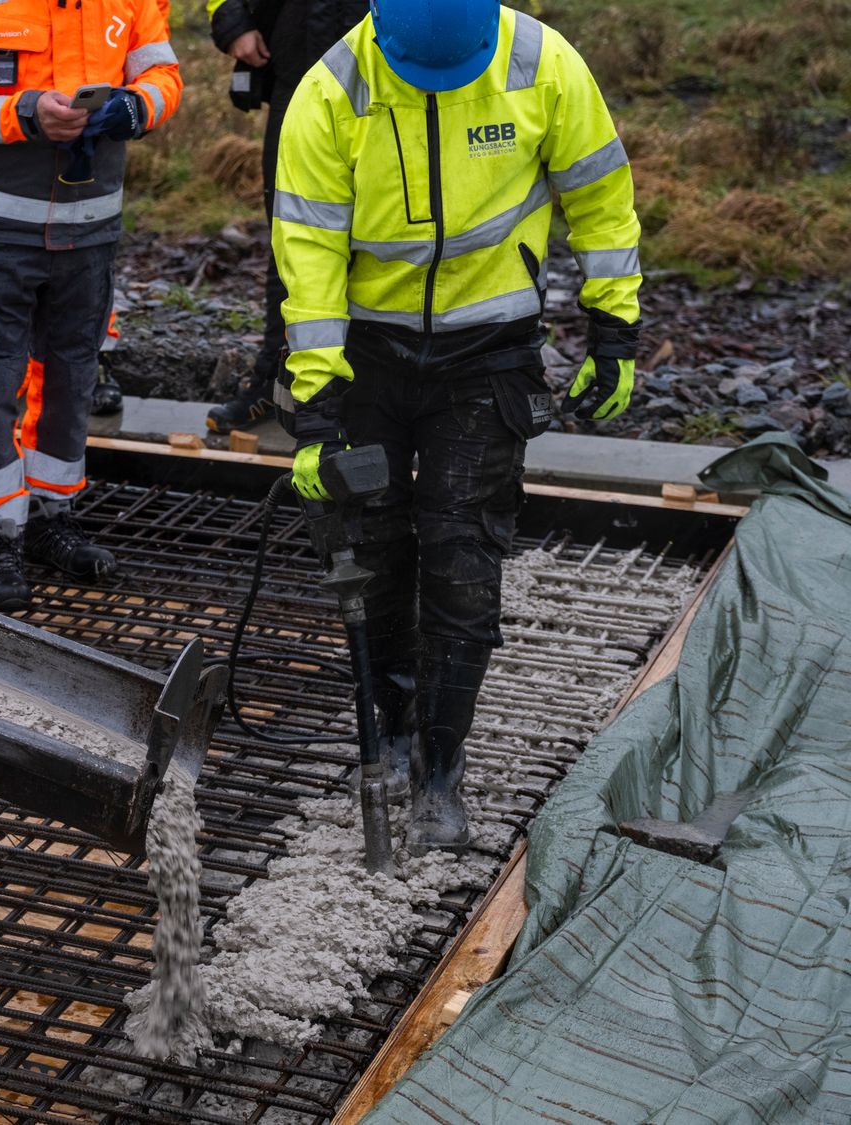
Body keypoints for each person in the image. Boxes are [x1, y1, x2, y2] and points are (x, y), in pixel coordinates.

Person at [275, 0, 642, 852]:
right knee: (372, 548)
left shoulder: (542, 65)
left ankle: (441, 764)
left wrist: (614, 326)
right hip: (369, 353)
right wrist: (317, 408)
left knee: (463, 558)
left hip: (489, 354)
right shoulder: (331, 92)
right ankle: (396, 724)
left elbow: (600, 195)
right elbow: (310, 253)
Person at [0, 0, 182, 612]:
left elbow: (163, 76)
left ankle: (50, 514)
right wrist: (24, 113)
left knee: (70, 378)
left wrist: (136, 107)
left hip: (88, 236)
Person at [202, 0, 367, 435]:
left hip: (391, 83)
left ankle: (372, 398)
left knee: (383, 239)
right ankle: (277, 382)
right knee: (291, 241)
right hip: (296, 78)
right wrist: (233, 19)